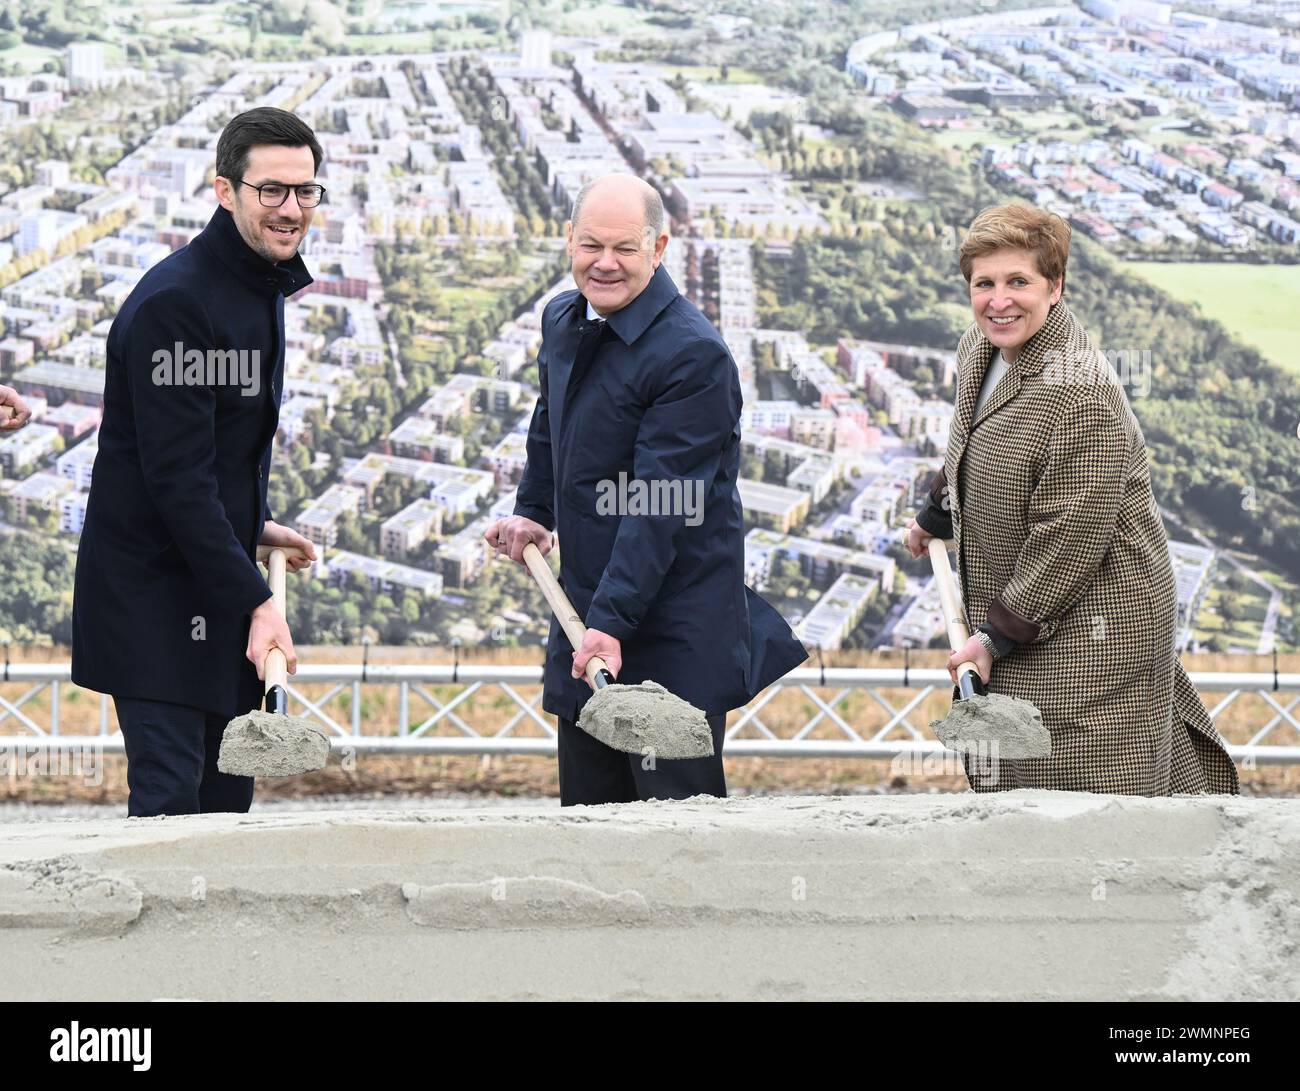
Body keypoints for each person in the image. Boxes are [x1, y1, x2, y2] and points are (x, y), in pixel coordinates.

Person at [485, 173, 808, 805]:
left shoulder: (693, 356)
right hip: (587, 613)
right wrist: (534, 511)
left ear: (659, 248)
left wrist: (610, 622)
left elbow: (661, 506)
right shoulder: (562, 318)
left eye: (625, 248)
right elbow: (551, 422)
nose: (605, 264)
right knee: (590, 815)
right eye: (590, 245)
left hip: (670, 625)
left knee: (676, 827)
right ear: (568, 241)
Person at [905, 203, 1237, 796]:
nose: (998, 300)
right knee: (1015, 752)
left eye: (1019, 282)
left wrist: (994, 636)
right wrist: (936, 515)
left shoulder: (1079, 393)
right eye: (985, 283)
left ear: (1055, 286)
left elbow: (1070, 536)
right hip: (1031, 598)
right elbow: (970, 438)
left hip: (1098, 618)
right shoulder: (979, 350)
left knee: (1079, 774)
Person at [72, 107, 321, 817]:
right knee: (172, 810)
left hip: (213, 585)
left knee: (224, 805)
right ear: (225, 190)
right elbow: (176, 478)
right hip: (154, 605)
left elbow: (211, 457)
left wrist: (254, 525)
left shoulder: (256, 282)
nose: (291, 208)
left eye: (305, 191)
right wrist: (258, 601)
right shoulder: (179, 305)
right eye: (271, 190)